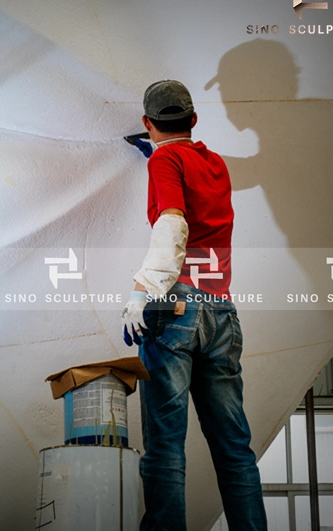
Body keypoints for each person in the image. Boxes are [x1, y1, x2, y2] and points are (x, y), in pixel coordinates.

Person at [121, 80, 266, 530]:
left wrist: (143, 290)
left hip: (177, 309)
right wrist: (166, 162)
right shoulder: (214, 163)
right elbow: (198, 204)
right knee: (234, 449)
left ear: (147, 124)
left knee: (166, 447)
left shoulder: (166, 158)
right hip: (221, 311)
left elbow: (173, 224)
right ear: (194, 120)